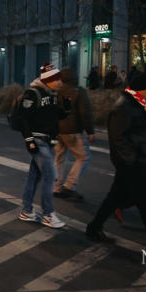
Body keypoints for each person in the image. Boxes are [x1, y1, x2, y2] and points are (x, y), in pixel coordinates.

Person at [86, 70, 146, 248]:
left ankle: (93, 228)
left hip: (134, 162)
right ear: (140, 90)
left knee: (114, 198)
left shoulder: (137, 104)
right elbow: (119, 139)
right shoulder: (124, 107)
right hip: (131, 165)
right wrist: (133, 162)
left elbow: (141, 136)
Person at [18, 63, 68, 229]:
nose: (60, 82)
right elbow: (23, 118)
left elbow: (54, 117)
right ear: (49, 80)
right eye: (57, 79)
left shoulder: (52, 94)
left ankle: (27, 210)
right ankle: (48, 214)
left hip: (47, 141)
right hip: (38, 141)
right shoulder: (32, 93)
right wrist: (29, 140)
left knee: (35, 176)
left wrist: (66, 109)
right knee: (50, 176)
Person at [54, 68, 95, 201]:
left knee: (58, 158)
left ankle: (56, 187)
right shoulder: (79, 92)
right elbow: (85, 113)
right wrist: (90, 131)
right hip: (73, 130)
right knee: (84, 157)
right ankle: (69, 185)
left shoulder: (55, 91)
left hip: (57, 130)